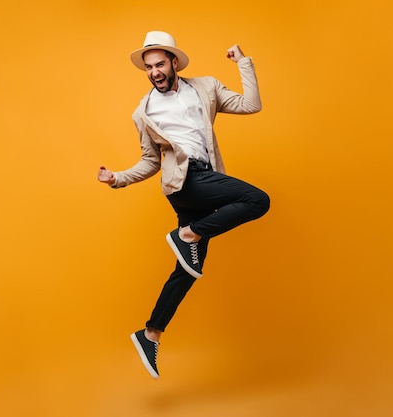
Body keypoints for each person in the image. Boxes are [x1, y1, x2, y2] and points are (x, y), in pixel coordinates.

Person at [97, 31, 270, 379]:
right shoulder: (143, 113)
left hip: (207, 176)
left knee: (188, 270)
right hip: (184, 183)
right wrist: (118, 178)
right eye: (148, 67)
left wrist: (244, 64)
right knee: (257, 200)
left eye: (160, 64)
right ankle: (188, 233)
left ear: (174, 62)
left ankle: (150, 334)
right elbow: (150, 160)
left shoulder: (205, 88)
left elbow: (251, 105)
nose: (154, 72)